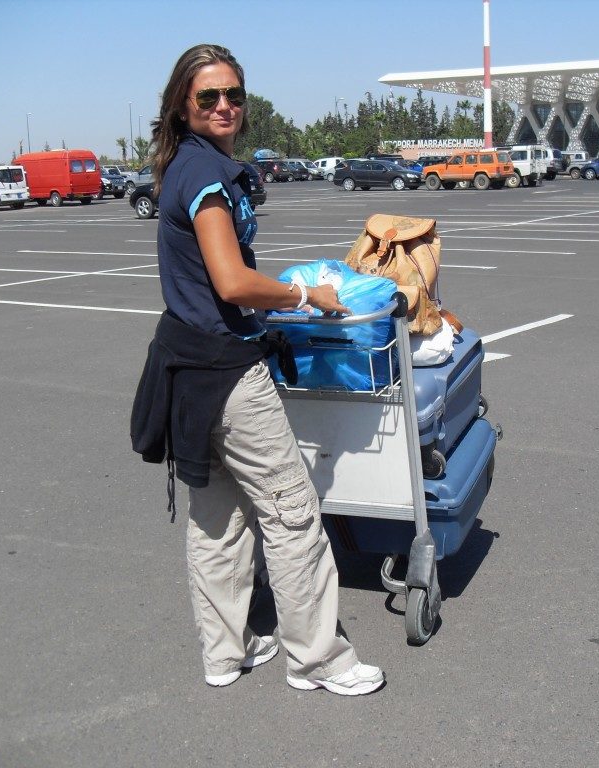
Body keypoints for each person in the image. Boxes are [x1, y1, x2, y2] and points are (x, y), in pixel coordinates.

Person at [131, 43, 384, 696]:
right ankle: (318, 660)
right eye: (209, 96)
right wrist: (305, 297)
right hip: (225, 373)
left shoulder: (184, 167)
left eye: (234, 95)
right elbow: (232, 281)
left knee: (218, 517)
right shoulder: (205, 179)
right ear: (182, 106)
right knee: (291, 510)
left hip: (187, 370)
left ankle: (227, 651)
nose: (225, 107)